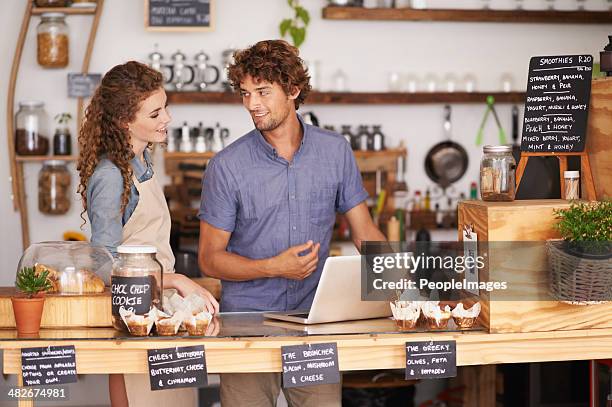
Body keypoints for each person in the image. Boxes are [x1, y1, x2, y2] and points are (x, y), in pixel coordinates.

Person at [198, 40, 386, 407]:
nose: (252, 104)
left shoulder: (335, 151)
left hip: (315, 322)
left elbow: (365, 233)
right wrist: (272, 267)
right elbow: (209, 258)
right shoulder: (226, 166)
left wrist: (406, 284)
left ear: (294, 91)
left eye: (263, 92)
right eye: (246, 93)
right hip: (247, 327)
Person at [77, 61, 219, 407]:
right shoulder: (111, 176)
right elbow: (104, 264)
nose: (167, 118)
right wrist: (175, 280)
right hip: (137, 318)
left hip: (159, 314)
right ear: (126, 120)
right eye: (155, 114)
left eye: (165, 107)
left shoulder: (141, 164)